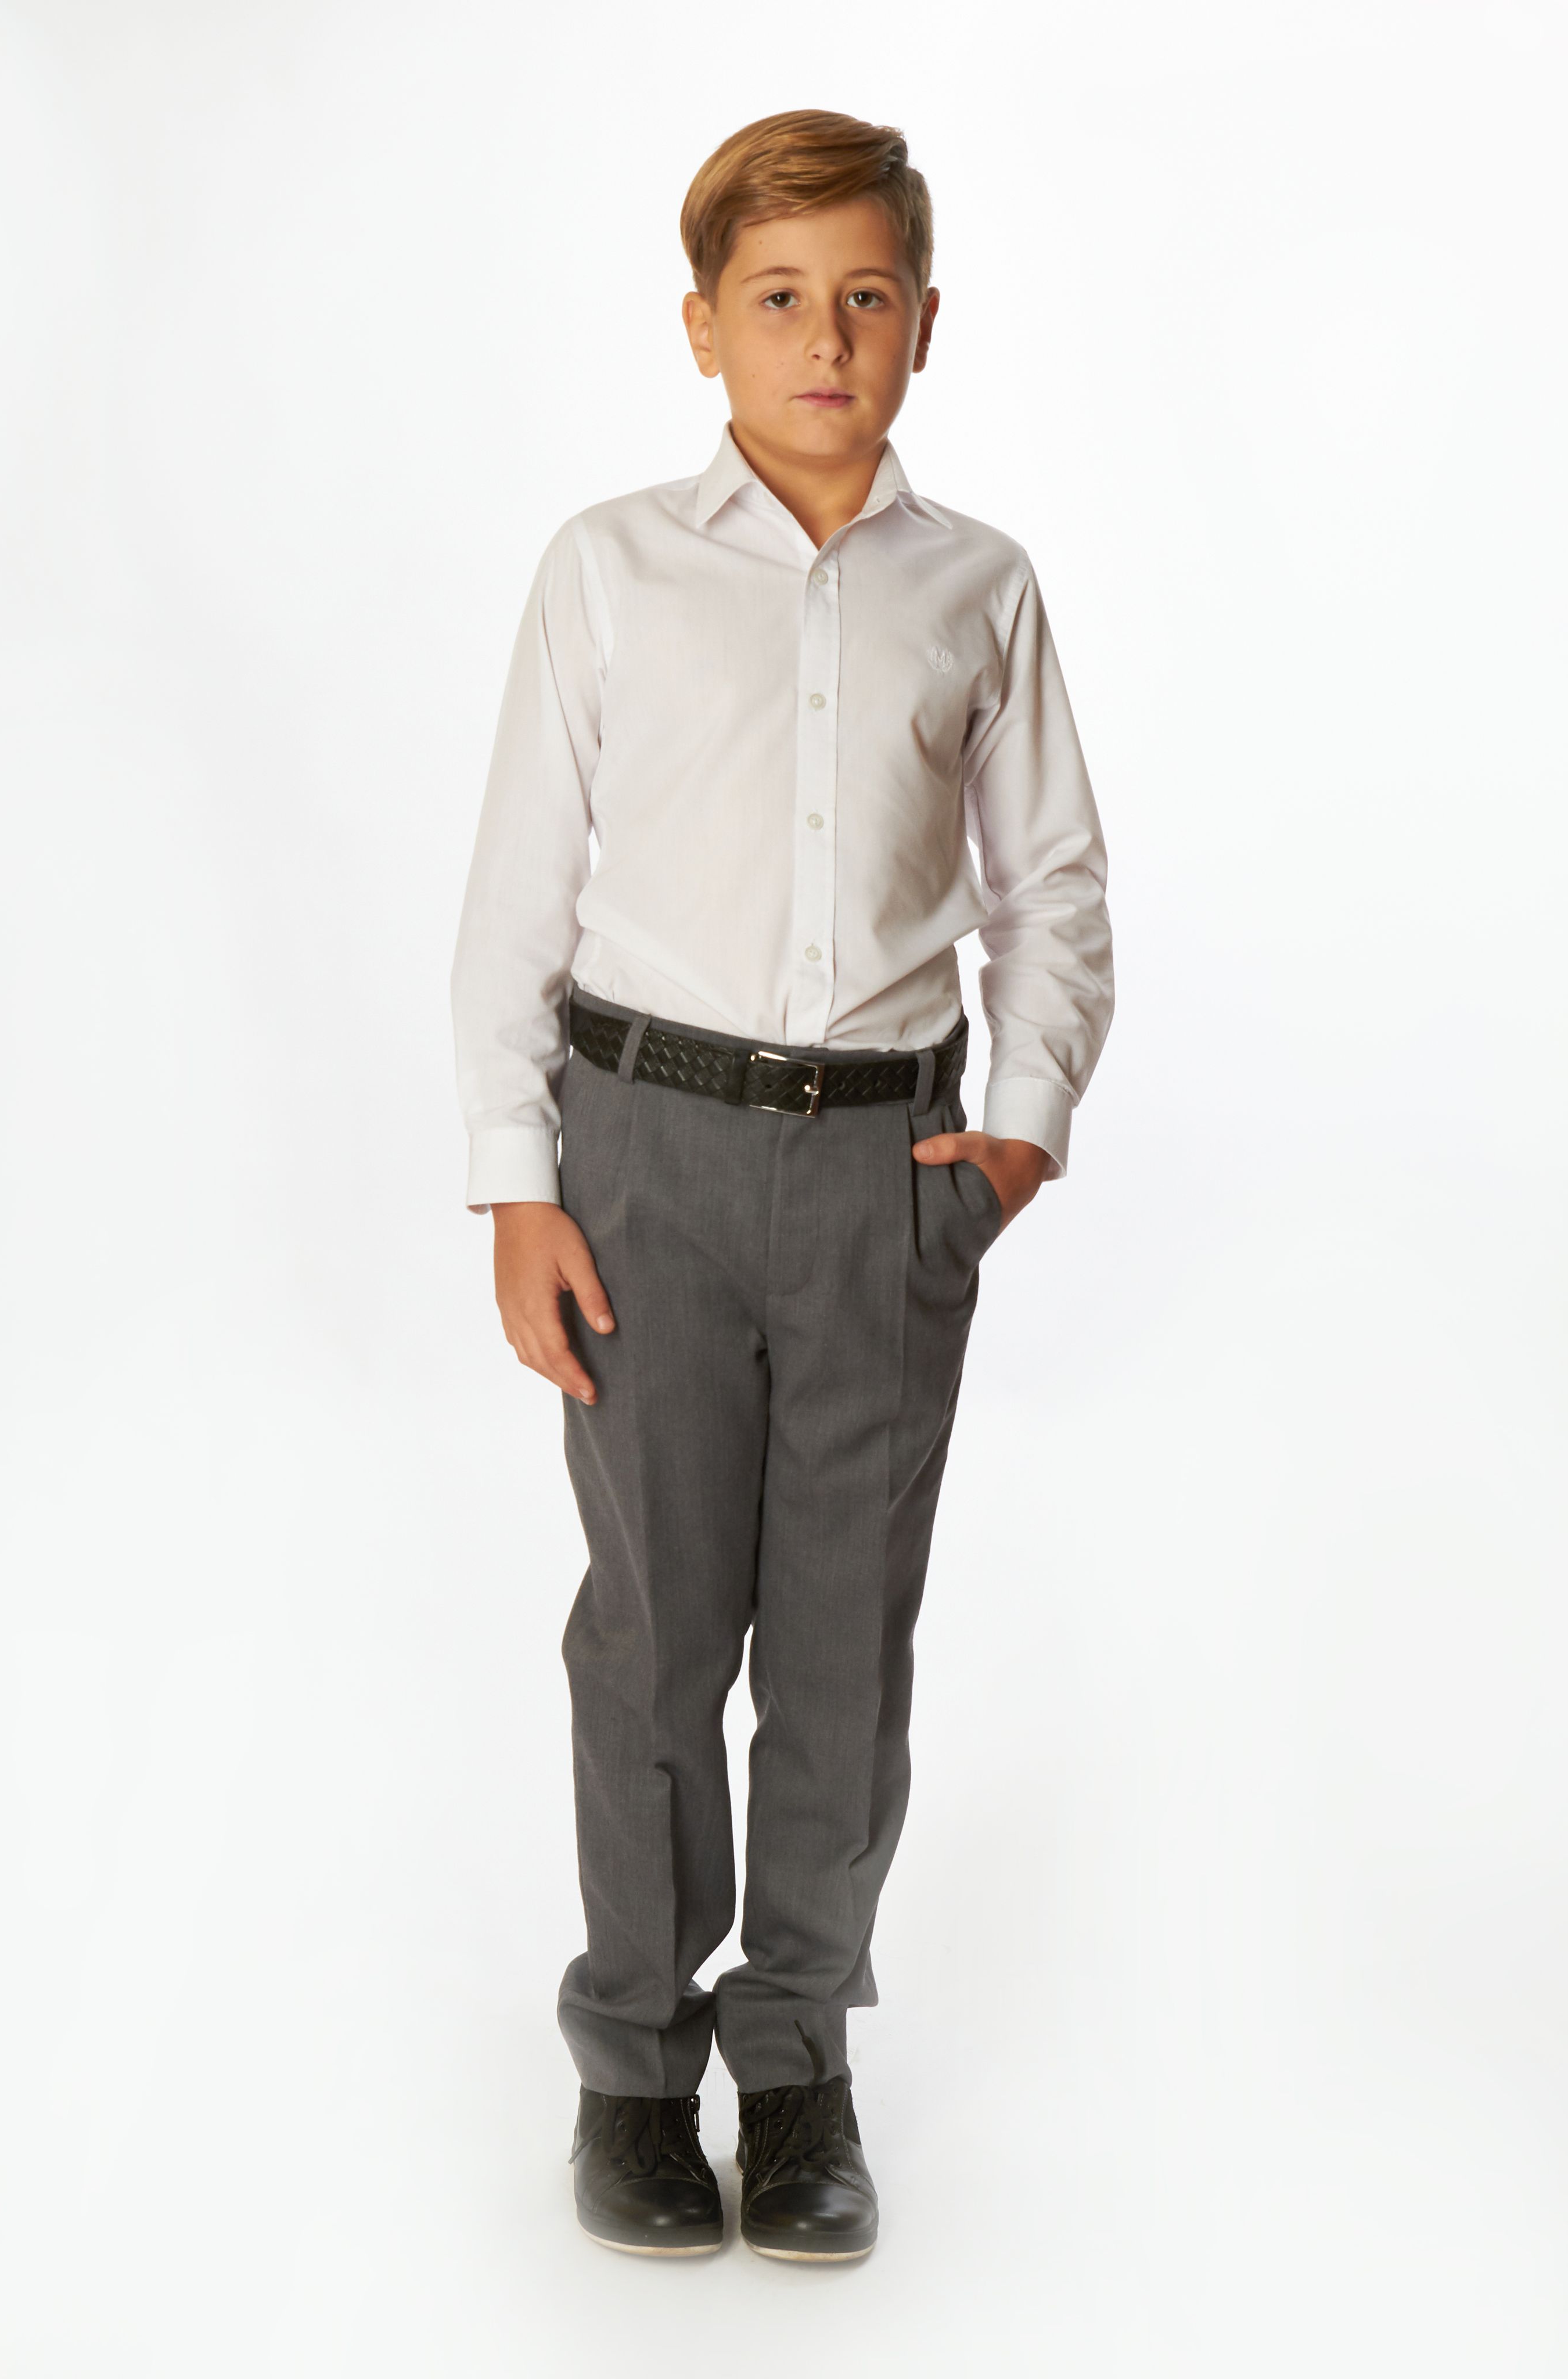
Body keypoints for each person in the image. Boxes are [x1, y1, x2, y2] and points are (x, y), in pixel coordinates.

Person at [449, 108, 1114, 2262]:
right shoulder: (609, 569)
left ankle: (802, 2057)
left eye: (863, 297)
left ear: (924, 322)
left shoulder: (979, 589)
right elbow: (514, 900)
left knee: (841, 1649)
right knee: (653, 1633)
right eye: (778, 298)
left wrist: (1017, 1132)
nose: (824, 338)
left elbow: (1053, 889)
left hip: (881, 1179)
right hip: (640, 1155)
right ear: (702, 328)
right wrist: (519, 1182)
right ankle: (637, 2067)